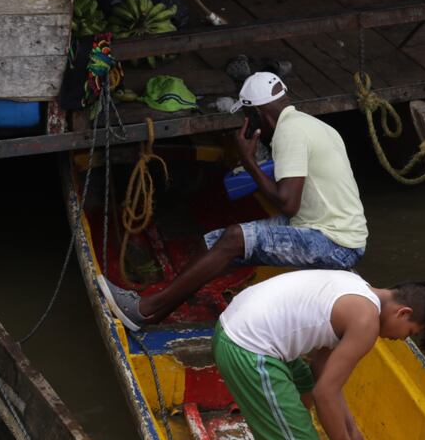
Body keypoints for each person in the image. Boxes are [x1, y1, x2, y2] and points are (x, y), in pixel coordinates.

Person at [99, 72, 368, 329]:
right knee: (214, 242)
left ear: (256, 114)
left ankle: (144, 309)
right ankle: (155, 313)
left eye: (245, 115)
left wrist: (249, 161)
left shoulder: (290, 132)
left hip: (333, 243)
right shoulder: (314, 126)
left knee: (234, 238)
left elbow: (288, 203)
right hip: (324, 230)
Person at [213, 268, 425, 440]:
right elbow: (325, 394)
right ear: (403, 313)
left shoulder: (357, 287)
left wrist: (350, 427)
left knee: (304, 383)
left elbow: (322, 370)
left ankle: (288, 437)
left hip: (232, 325)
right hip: (246, 348)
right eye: (410, 332)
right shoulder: (366, 322)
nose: (403, 339)